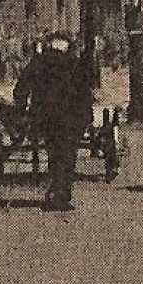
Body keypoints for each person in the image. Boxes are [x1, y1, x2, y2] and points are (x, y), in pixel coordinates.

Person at [14, 30, 90, 212]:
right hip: (69, 117)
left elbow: (21, 86)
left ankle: (55, 192)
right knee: (67, 155)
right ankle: (60, 194)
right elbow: (85, 93)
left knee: (54, 152)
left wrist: (22, 108)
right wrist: (86, 117)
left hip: (45, 116)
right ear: (67, 45)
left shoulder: (39, 62)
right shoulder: (74, 64)